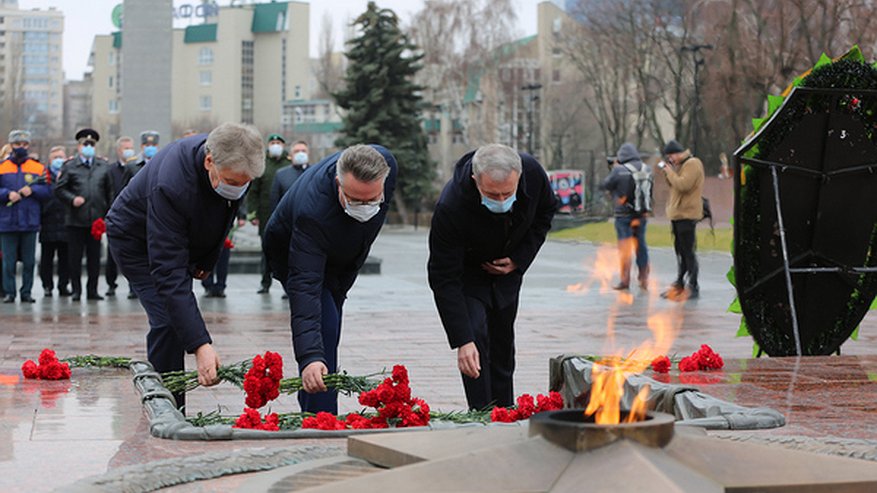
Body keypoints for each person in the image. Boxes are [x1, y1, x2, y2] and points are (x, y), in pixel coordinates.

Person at [105, 123, 265, 407]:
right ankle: (167, 407)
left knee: (177, 315)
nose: (238, 188)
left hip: (182, 234)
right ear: (208, 162)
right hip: (135, 240)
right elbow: (168, 272)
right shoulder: (172, 184)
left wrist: (207, 258)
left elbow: (223, 216)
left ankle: (170, 401)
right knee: (167, 319)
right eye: (232, 181)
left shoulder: (233, 160)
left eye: (245, 183)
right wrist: (200, 345)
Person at [263, 144, 397, 414]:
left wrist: (342, 284)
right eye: (355, 199)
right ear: (338, 183)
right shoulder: (312, 213)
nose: (365, 207)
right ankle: (320, 420)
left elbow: (364, 231)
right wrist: (310, 356)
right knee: (324, 329)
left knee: (330, 322)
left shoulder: (387, 167)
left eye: (372, 200)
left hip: (341, 253)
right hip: (293, 252)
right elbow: (306, 289)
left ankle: (311, 403)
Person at [428, 144, 557, 410]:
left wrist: (520, 259)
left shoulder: (533, 174)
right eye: (490, 194)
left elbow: (545, 214)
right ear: (475, 180)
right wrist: (462, 340)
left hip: (508, 272)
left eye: (507, 193)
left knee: (502, 348)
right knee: (474, 336)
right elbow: (443, 276)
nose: (500, 201)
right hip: (469, 274)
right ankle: (481, 413)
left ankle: (503, 412)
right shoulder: (451, 205)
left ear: (519, 178)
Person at [54, 128, 114, 301]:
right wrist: (72, 199)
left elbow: (110, 191)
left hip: (96, 219)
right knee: (75, 258)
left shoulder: (103, 166)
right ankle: (76, 290)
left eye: (91, 144)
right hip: (75, 220)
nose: (88, 147)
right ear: (79, 146)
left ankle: (92, 290)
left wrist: (107, 214)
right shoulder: (70, 166)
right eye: (85, 144)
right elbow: (60, 189)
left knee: (94, 258)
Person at [0, 130, 51, 303]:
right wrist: (6, 194)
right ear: (11, 145)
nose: (21, 147)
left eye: (24, 144)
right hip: (7, 221)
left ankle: (26, 292)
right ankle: (10, 292)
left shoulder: (38, 168)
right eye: (17, 144)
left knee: (29, 261)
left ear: (28, 145)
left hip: (30, 221)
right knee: (8, 262)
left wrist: (33, 190)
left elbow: (48, 191)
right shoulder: (2, 166)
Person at [599, 142, 650, 291]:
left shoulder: (619, 170)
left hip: (623, 215)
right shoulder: (647, 169)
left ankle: (625, 280)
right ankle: (644, 278)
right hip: (641, 214)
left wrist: (614, 169)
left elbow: (605, 185)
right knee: (641, 246)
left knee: (624, 247)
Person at [659, 139, 704, 301]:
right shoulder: (681, 166)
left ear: (677, 153)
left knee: (688, 252)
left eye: (671, 156)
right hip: (678, 215)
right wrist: (669, 172)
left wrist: (670, 172)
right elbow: (674, 186)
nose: (670, 159)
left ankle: (693, 286)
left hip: (687, 215)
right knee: (681, 252)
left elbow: (683, 185)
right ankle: (680, 284)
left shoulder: (692, 164)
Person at [269, 140, 310, 300]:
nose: (301, 153)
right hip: (288, 226)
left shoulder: (314, 172)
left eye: (303, 150)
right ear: (290, 155)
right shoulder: (281, 174)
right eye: (297, 151)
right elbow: (275, 200)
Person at [250, 133, 289, 294]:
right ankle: (265, 282)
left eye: (278, 142)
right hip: (266, 214)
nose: (275, 145)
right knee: (266, 250)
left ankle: (287, 285)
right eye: (272, 142)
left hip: (287, 215)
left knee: (287, 250)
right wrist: (253, 214)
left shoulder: (289, 164)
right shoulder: (262, 165)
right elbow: (253, 191)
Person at [105, 136, 136, 297]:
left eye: (130, 147)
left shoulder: (138, 168)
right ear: (118, 150)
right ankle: (111, 284)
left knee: (135, 253)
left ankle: (134, 286)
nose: (129, 150)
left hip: (134, 216)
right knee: (112, 253)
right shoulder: (110, 170)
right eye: (125, 148)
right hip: (116, 216)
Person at [39, 146, 71, 297]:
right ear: (50, 160)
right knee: (47, 257)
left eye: (61, 157)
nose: (59, 160)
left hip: (66, 222)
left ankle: (63, 285)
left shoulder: (70, 174)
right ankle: (47, 285)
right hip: (48, 222)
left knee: (65, 258)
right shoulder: (43, 177)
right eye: (55, 157)